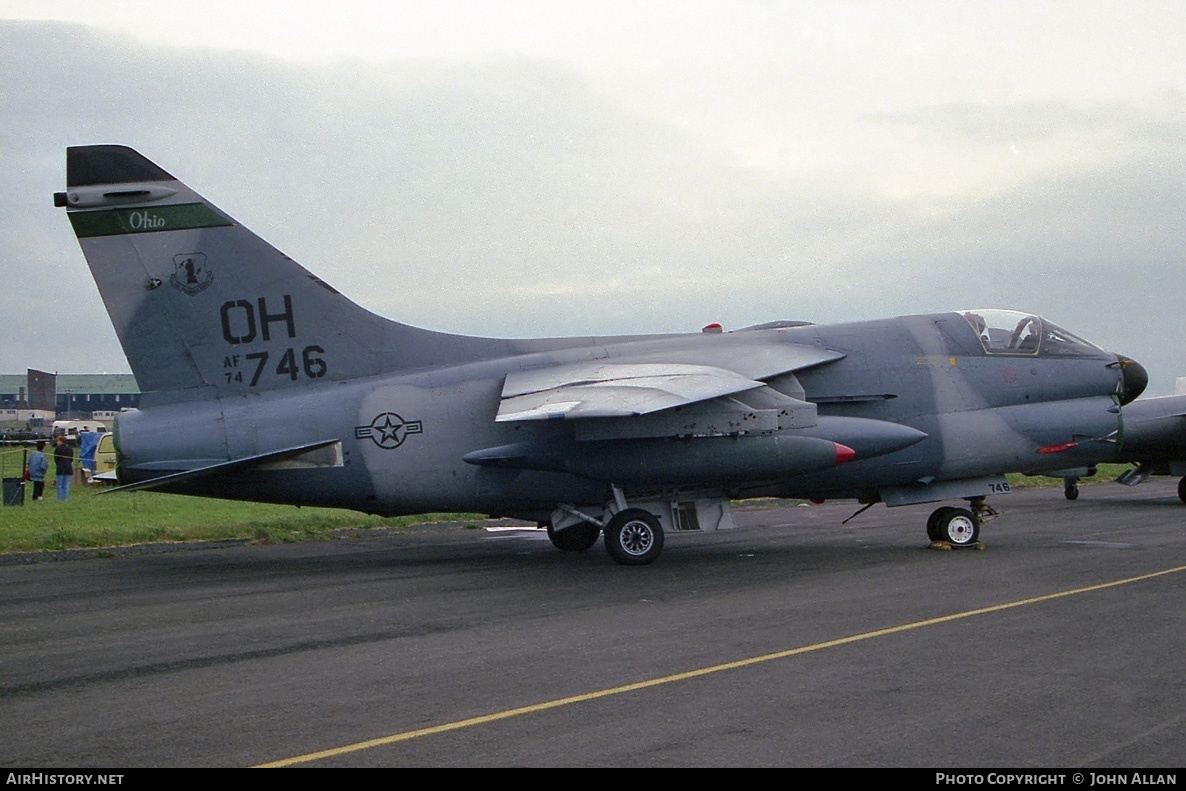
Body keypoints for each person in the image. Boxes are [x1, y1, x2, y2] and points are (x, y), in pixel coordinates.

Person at [53, 434, 74, 502]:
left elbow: (56, 459)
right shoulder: (70, 448)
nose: (57, 442)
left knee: (59, 484)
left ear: (61, 441)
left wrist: (59, 464)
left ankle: (59, 498)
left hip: (60, 468)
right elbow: (71, 459)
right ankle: (65, 498)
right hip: (68, 467)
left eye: (58, 441)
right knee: (66, 484)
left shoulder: (58, 449)